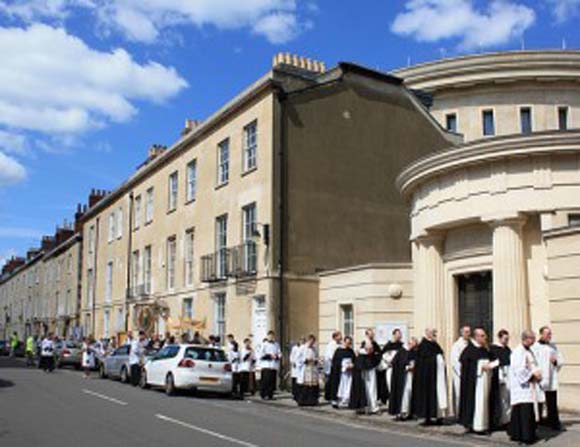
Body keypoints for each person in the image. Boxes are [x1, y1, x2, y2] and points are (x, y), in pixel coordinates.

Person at [458, 328, 499, 434]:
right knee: (476, 403)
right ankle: (474, 425)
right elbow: (466, 365)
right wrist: (480, 366)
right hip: (474, 383)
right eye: (482, 336)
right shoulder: (469, 350)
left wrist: (490, 365)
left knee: (484, 403)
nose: (485, 338)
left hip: (485, 381)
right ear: (476, 336)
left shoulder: (485, 349)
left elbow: (492, 360)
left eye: (485, 335)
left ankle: (483, 425)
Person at [509, 330, 543, 445]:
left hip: (529, 386)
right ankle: (525, 436)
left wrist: (537, 373)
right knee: (524, 411)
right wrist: (532, 376)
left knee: (527, 411)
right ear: (526, 339)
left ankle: (526, 433)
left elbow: (532, 364)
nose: (534, 341)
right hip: (522, 387)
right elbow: (519, 370)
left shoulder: (528, 351)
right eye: (532, 338)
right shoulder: (518, 352)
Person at [412, 328, 448, 425]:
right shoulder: (423, 346)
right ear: (427, 333)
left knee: (439, 394)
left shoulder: (435, 344)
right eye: (433, 333)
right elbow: (423, 362)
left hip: (438, 375)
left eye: (435, 333)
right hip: (428, 377)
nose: (435, 335)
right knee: (428, 396)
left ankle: (439, 416)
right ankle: (427, 417)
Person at [532, 326, 564, 431]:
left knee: (552, 401)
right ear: (541, 334)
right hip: (540, 377)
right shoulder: (534, 347)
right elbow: (532, 362)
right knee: (539, 400)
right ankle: (538, 420)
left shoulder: (553, 346)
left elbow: (560, 360)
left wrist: (555, 361)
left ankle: (553, 422)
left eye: (550, 334)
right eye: (547, 334)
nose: (549, 336)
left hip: (551, 378)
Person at [350, 328, 382, 414]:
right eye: (371, 334)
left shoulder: (374, 343)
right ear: (367, 334)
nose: (372, 335)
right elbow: (363, 354)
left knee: (372, 388)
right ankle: (366, 406)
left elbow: (377, 353)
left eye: (373, 334)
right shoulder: (364, 343)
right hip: (364, 368)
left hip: (371, 367)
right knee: (366, 388)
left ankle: (373, 407)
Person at [388, 336, 418, 420]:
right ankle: (402, 412)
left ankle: (409, 412)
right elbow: (397, 363)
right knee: (404, 393)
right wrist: (407, 367)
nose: (414, 347)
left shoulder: (413, 352)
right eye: (413, 344)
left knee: (410, 392)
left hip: (411, 376)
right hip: (402, 377)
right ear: (409, 343)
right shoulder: (402, 351)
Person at [490, 329, 512, 429]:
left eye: (507, 339)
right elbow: (494, 363)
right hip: (499, 377)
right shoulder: (493, 349)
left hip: (509, 376)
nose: (506, 341)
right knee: (501, 400)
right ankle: (500, 420)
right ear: (499, 338)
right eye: (505, 339)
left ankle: (507, 419)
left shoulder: (507, 349)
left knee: (508, 399)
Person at [378, 328, 404, 406]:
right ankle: (391, 400)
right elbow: (383, 357)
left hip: (399, 369)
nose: (399, 336)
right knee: (390, 384)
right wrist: (387, 363)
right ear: (394, 335)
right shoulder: (388, 345)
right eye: (398, 334)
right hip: (390, 368)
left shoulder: (402, 345)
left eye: (400, 334)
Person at [329, 335, 356, 408]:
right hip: (340, 373)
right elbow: (335, 361)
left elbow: (354, 360)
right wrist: (343, 366)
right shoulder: (338, 351)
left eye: (350, 343)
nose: (348, 345)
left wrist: (352, 365)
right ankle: (336, 401)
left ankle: (346, 400)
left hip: (348, 373)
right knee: (339, 386)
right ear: (344, 342)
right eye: (347, 343)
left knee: (347, 387)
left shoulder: (351, 351)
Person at [451, 325, 471, 417]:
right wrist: (462, 372)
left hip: (469, 374)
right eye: (466, 332)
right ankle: (460, 414)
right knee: (460, 394)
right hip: (460, 374)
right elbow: (455, 361)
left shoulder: (470, 344)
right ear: (462, 333)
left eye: (469, 332)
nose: (468, 333)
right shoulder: (457, 345)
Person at [295, 334, 320, 406]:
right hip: (305, 368)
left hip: (313, 369)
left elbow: (316, 357)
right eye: (311, 341)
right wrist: (305, 360)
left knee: (312, 386)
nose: (312, 343)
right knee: (305, 386)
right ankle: (303, 401)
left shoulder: (314, 349)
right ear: (309, 340)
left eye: (313, 342)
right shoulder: (302, 348)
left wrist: (316, 360)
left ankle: (312, 401)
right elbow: (297, 358)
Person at [258, 331, 281, 400]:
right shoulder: (264, 344)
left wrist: (277, 356)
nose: (271, 337)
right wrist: (270, 356)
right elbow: (261, 355)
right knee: (266, 381)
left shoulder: (276, 344)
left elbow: (279, 353)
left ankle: (270, 394)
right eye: (270, 336)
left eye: (272, 336)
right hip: (266, 365)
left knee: (272, 381)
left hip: (273, 365)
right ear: (267, 336)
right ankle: (264, 394)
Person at [323, 331, 342, 401]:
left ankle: (333, 395)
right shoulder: (331, 345)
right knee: (329, 382)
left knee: (334, 381)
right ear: (335, 337)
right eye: (340, 336)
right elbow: (331, 356)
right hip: (331, 365)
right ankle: (328, 396)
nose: (341, 337)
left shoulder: (339, 344)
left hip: (336, 366)